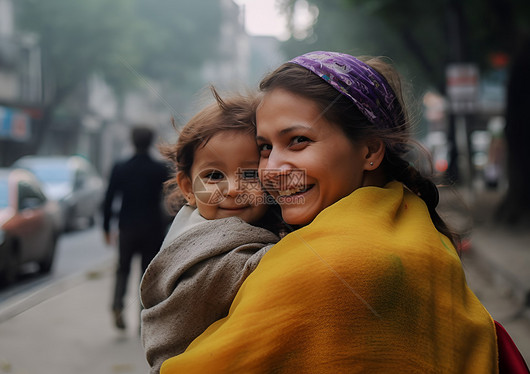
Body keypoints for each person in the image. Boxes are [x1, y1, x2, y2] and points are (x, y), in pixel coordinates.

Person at [157, 52, 502, 373]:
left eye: (298, 141)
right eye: (265, 147)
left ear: (369, 150)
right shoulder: (414, 226)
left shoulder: (325, 265)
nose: (272, 169)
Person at [139, 88, 282, 373]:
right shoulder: (202, 243)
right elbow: (263, 269)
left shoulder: (250, 227)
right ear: (188, 189)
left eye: (250, 174)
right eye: (214, 175)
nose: (232, 190)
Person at [103, 125, 169, 331]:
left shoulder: (121, 167)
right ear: (151, 142)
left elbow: (108, 200)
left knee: (122, 269)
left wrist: (106, 228)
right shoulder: (159, 169)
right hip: (153, 229)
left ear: (132, 141)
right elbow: (170, 202)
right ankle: (144, 317)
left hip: (127, 228)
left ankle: (117, 306)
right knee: (146, 275)